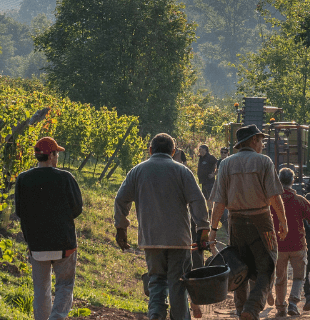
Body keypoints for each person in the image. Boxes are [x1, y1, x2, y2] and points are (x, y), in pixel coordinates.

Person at [115, 133, 210, 320]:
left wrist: (121, 227)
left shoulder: (137, 171)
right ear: (173, 152)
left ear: (150, 150)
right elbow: (198, 201)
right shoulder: (182, 171)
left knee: (156, 281)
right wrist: (202, 229)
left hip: (151, 240)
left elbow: (121, 199)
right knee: (178, 284)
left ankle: (156, 315)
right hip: (179, 241)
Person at [208, 125, 288, 320]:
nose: (262, 144)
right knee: (267, 265)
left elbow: (219, 202)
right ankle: (251, 309)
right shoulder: (264, 162)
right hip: (261, 222)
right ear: (253, 141)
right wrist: (283, 222)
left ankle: (240, 309)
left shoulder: (226, 164)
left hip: (235, 222)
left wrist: (213, 229)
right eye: (261, 140)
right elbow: (275, 197)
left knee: (239, 267)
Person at [15, 137, 84, 320]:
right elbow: (77, 208)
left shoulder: (23, 179)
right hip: (64, 243)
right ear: (51, 155)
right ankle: (57, 318)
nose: (57, 157)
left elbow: (20, 211)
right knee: (65, 284)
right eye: (57, 153)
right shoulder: (65, 178)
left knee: (41, 288)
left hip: (37, 244)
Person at [271, 167, 310, 317]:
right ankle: (293, 302)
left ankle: (280, 307)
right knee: (298, 277)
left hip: (279, 246)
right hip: (298, 245)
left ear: (278, 181)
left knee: (280, 278)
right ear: (293, 180)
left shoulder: (272, 201)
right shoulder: (300, 200)